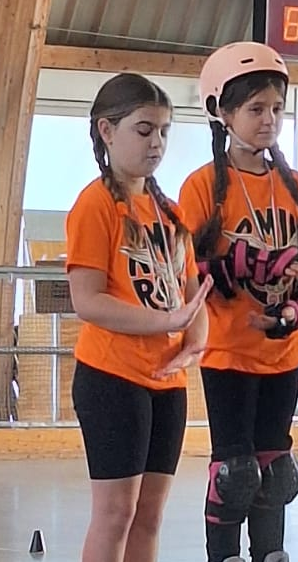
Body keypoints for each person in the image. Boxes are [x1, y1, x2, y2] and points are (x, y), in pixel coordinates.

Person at [178, 41, 298, 562]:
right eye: (255, 109)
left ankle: (271, 553)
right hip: (228, 351)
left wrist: (294, 313)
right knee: (235, 472)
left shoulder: (296, 186)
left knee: (275, 470)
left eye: (277, 109)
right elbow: (187, 272)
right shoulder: (202, 186)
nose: (269, 120)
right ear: (223, 113)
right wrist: (250, 265)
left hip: (283, 353)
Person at [66, 73, 212, 562]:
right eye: (144, 130)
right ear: (107, 131)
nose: (157, 143)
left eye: (164, 131)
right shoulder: (96, 205)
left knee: (149, 517)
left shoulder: (170, 213)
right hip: (112, 378)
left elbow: (191, 293)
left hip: (166, 383)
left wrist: (194, 340)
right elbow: (88, 301)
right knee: (115, 515)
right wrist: (166, 322)